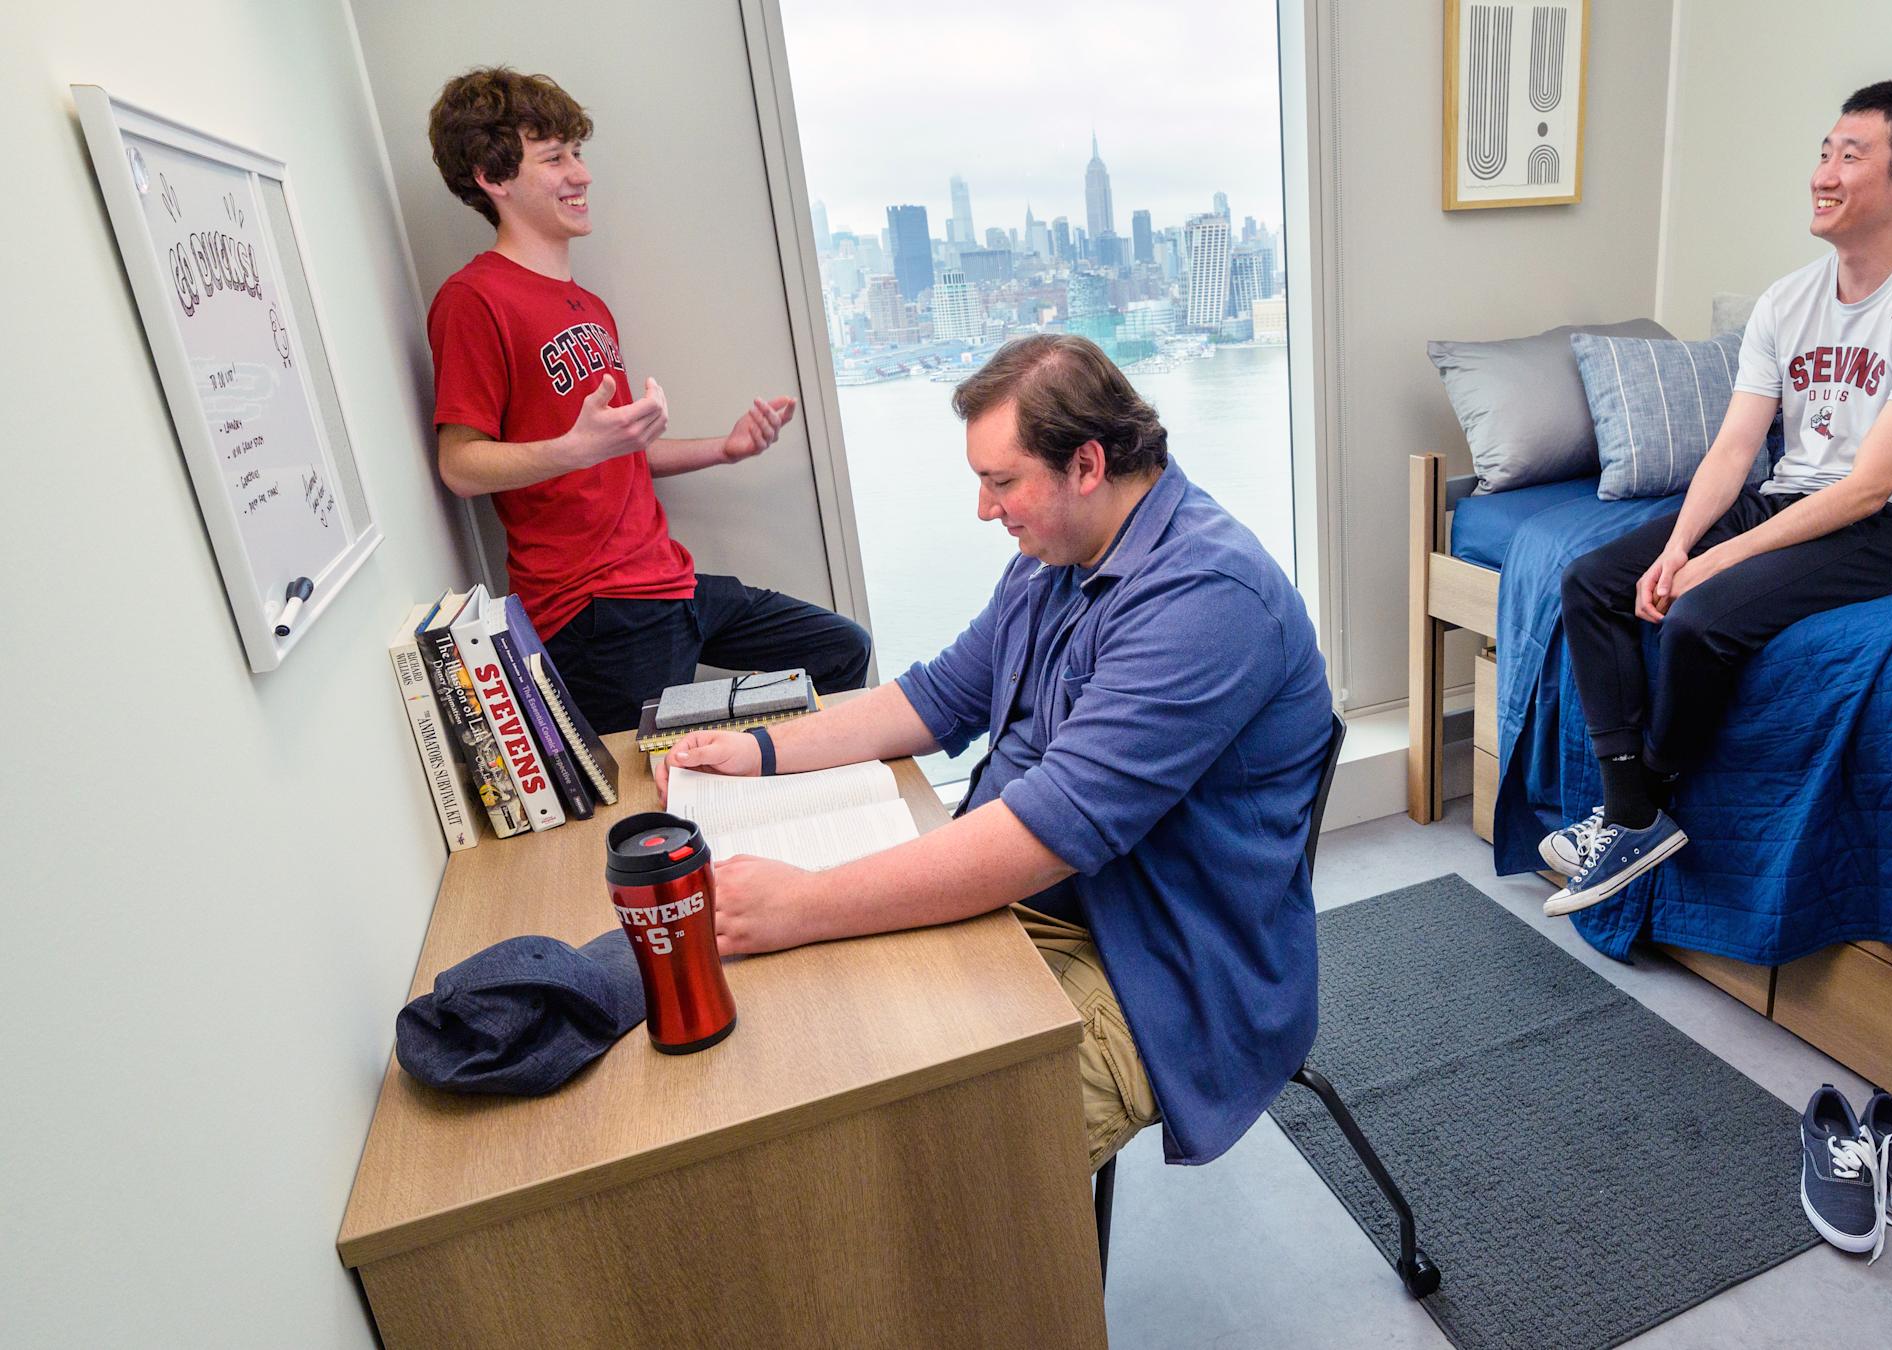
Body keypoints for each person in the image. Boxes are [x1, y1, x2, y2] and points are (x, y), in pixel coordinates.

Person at [657, 334, 1334, 1171]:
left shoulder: (1206, 599)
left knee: (912, 1162)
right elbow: (938, 695)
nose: (985, 508)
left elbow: (1046, 833)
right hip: (1048, 907)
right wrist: (760, 750)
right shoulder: (1057, 555)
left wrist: (801, 903)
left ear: (1086, 465)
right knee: (806, 1032)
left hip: (1156, 971)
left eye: (1002, 482)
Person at [1541, 78, 1892, 918]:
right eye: (1824, 152)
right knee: (1592, 581)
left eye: (1850, 156)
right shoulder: (1788, 300)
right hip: (1789, 496)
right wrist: (1680, 545)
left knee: (1700, 620)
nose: (1823, 174)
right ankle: (1633, 813)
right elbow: (1735, 448)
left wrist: (1716, 565)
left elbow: (1872, 486)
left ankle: (1644, 801)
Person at [423, 67, 870, 732]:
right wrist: (573, 448)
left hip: (668, 582)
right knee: (653, 787)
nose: (581, 174)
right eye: (555, 158)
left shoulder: (588, 305)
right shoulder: (473, 298)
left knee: (840, 649)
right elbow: (459, 465)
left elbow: (619, 453)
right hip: (594, 613)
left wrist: (726, 449)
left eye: (578, 153)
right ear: (494, 177)